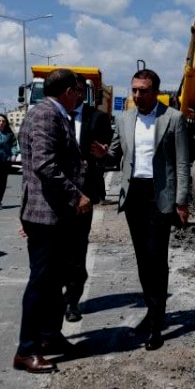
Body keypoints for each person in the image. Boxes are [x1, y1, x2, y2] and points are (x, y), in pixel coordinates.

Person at [13, 68, 91, 374]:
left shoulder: (55, 113)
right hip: (47, 214)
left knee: (54, 280)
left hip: (56, 214)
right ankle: (26, 350)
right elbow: (45, 164)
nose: (81, 96)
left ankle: (49, 337)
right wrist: (77, 196)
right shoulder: (46, 114)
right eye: (78, 91)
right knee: (41, 283)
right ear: (68, 91)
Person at [107, 68, 190, 351]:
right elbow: (115, 154)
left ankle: (156, 325)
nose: (137, 95)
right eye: (134, 90)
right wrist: (99, 155)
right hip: (133, 195)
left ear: (156, 91)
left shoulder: (174, 118)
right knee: (142, 259)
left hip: (160, 196)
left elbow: (181, 163)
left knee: (156, 259)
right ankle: (152, 311)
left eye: (143, 90)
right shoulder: (124, 118)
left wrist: (182, 202)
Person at [61, 93, 114, 323]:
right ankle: (54, 297)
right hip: (55, 194)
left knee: (77, 245)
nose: (74, 94)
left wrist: (103, 155)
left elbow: (108, 153)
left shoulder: (98, 118)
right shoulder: (52, 114)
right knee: (55, 249)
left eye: (78, 89)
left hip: (84, 194)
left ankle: (72, 300)